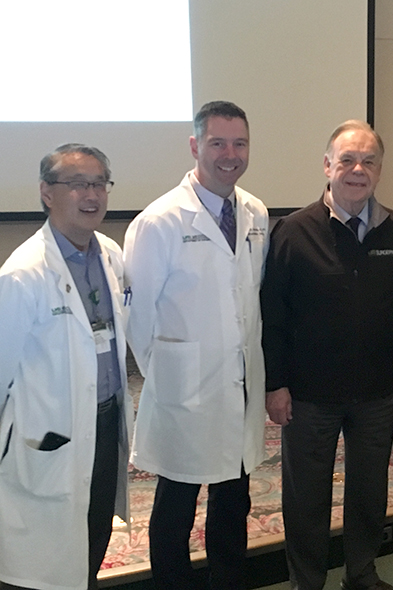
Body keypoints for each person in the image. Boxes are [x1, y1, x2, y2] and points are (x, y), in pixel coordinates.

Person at [262, 120, 393, 590]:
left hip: (375, 392)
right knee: (307, 497)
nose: (358, 170)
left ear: (379, 170)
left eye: (368, 161)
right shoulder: (293, 231)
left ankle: (362, 573)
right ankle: (306, 582)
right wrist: (277, 384)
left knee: (369, 492)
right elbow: (273, 315)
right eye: (347, 160)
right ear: (327, 166)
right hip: (309, 395)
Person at [124, 101, 269, 590]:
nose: (230, 155)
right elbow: (137, 318)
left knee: (234, 501)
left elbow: (251, 299)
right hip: (183, 391)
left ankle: (229, 581)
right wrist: (174, 369)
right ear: (195, 146)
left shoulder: (256, 213)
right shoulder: (159, 221)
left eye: (239, 143)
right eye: (217, 143)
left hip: (240, 385)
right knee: (176, 505)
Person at [0, 144, 132, 590]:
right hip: (48, 435)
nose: (91, 194)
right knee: (41, 559)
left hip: (105, 421)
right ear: (46, 192)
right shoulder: (23, 274)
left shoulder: (110, 254)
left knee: (91, 536)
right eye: (76, 184)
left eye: (99, 183)